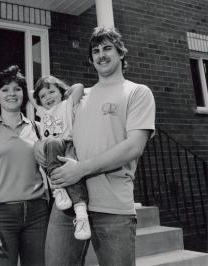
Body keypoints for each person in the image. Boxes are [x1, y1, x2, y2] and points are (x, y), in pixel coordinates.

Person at [40, 27, 156, 266]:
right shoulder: (78, 97)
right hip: (68, 206)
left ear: (121, 53)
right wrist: (40, 151)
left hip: (113, 208)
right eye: (96, 50)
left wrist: (80, 169)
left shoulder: (137, 93)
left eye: (107, 48)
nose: (101, 55)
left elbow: (134, 147)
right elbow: (56, 135)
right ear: (91, 58)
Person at [0, 65, 49, 266]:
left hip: (38, 214)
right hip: (1, 215)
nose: (12, 93)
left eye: (17, 88)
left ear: (24, 94)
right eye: (5, 89)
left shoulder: (38, 128)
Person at [30, 76, 91, 240]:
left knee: (71, 170)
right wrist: (43, 89)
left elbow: (79, 86)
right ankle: (59, 190)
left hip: (69, 144)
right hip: (52, 147)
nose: (48, 97)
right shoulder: (42, 112)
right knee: (50, 142)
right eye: (43, 96)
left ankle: (81, 213)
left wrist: (63, 91)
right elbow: (31, 94)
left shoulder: (67, 104)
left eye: (51, 92)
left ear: (61, 93)